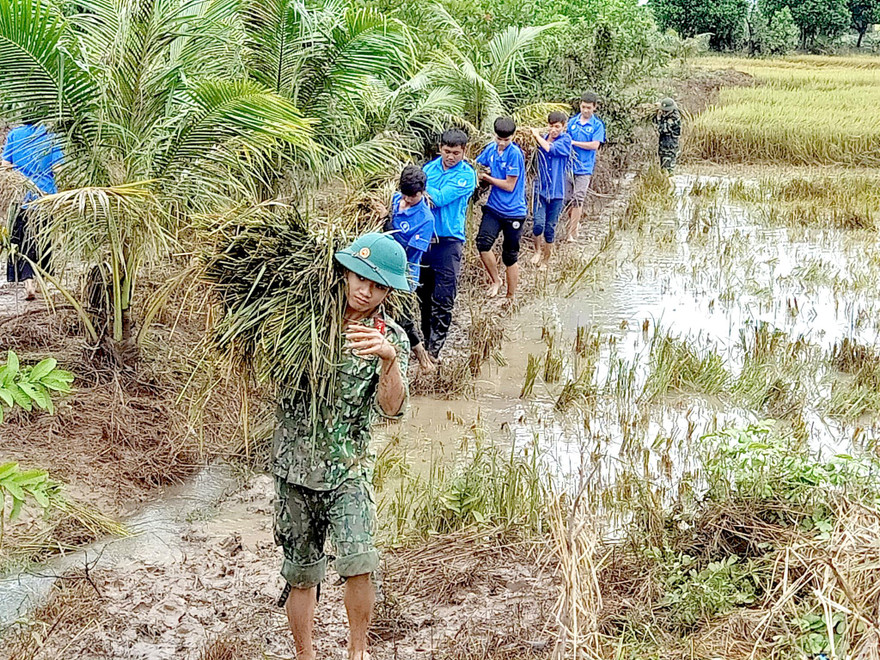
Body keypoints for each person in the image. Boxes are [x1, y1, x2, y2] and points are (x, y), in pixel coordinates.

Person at [274, 232, 410, 660]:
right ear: (344, 271)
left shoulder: (390, 337)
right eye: (359, 278)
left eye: (378, 285)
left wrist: (387, 359)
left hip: (348, 468)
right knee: (301, 573)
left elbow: (392, 408)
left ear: (388, 292)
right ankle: (304, 655)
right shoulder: (304, 318)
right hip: (295, 467)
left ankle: (357, 652)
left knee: (360, 560)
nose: (365, 291)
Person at [421, 128, 477, 360]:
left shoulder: (467, 176)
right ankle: (425, 342)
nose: (450, 156)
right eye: (446, 151)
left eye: (455, 152)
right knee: (423, 294)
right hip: (425, 240)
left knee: (443, 297)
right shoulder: (428, 169)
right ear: (440, 149)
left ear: (464, 151)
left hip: (449, 241)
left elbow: (440, 198)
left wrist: (421, 188)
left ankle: (436, 348)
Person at [378, 164, 437, 372]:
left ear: (422, 192)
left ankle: (421, 356)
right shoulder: (394, 200)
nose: (406, 199)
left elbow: (407, 254)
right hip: (380, 266)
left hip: (403, 274)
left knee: (403, 316)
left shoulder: (425, 219)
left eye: (411, 196)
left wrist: (387, 224)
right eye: (404, 194)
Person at [2, 124, 64, 300]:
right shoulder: (50, 136)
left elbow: (5, 165)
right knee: (42, 241)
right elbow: (59, 168)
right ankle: (40, 283)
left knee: (21, 241)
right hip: (45, 198)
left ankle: (28, 282)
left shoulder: (15, 134)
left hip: (20, 197)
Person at [475, 117, 527, 300]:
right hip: (494, 207)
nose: (502, 143)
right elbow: (478, 165)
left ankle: (510, 296)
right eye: (499, 139)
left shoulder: (515, 154)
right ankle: (496, 280)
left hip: (514, 212)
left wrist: (487, 178)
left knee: (510, 256)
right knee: (483, 243)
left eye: (506, 139)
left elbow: (509, 185)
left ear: (513, 136)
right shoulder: (490, 149)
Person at [530, 111, 572, 268]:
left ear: (563, 127)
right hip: (540, 189)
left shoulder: (565, 140)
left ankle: (546, 260)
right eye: (551, 126)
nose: (553, 130)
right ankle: (537, 251)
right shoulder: (540, 139)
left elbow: (550, 149)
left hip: (557, 191)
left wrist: (536, 135)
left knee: (550, 228)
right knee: (538, 224)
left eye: (557, 127)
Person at [565, 92, 606, 242]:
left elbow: (595, 145)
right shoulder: (572, 122)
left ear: (594, 107)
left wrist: (574, 143)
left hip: (584, 168)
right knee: (567, 200)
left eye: (589, 107)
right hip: (569, 167)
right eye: (583, 107)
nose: (585, 110)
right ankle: (575, 223)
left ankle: (572, 232)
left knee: (578, 198)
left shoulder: (597, 125)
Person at [654, 97, 682, 174]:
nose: (663, 112)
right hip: (664, 146)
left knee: (668, 170)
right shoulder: (669, 114)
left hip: (669, 148)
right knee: (663, 168)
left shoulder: (673, 118)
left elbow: (662, 129)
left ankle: (669, 184)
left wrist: (659, 118)